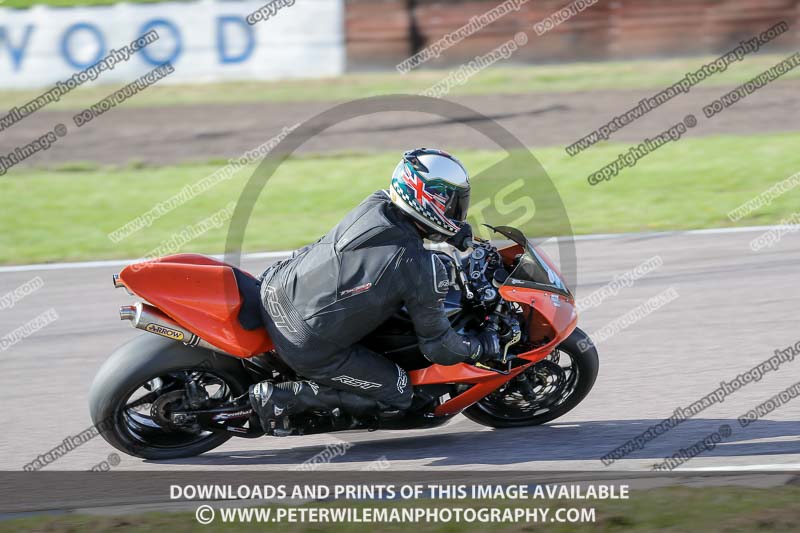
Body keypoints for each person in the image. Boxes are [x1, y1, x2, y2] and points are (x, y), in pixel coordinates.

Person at [250, 148, 502, 434]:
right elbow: (439, 348)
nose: (457, 210)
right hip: (307, 343)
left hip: (277, 286)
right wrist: (481, 346)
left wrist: (456, 233)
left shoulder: (377, 203)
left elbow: (411, 233)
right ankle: (285, 397)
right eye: (453, 204)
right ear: (430, 200)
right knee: (400, 392)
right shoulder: (417, 266)